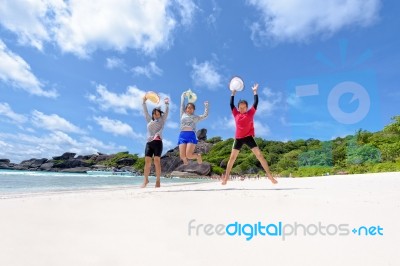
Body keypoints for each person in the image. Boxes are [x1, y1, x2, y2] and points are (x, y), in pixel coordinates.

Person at [222, 83, 278, 185]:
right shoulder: (236, 114)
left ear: (247, 108)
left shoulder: (250, 113)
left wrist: (255, 92)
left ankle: (270, 176)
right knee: (232, 158)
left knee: (260, 155)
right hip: (238, 138)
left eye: (244, 107)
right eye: (240, 107)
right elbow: (231, 104)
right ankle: (226, 178)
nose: (242, 109)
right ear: (238, 108)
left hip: (248, 137)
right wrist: (233, 93)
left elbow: (256, 103)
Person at [141, 95, 169, 188]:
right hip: (149, 143)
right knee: (147, 162)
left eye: (158, 114)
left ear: (160, 115)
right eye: (155, 114)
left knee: (157, 161)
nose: (156, 115)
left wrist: (167, 104)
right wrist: (144, 102)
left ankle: (158, 181)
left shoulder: (162, 121)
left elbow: (166, 113)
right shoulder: (149, 120)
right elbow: (145, 112)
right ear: (152, 114)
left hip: (158, 143)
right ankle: (145, 180)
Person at [178, 90, 209, 165]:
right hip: (182, 135)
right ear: (186, 109)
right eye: (188, 107)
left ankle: (198, 156)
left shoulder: (195, 117)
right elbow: (182, 104)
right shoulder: (182, 114)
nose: (189, 109)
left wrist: (206, 106)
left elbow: (205, 115)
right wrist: (183, 95)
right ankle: (185, 160)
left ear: (194, 110)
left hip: (191, 135)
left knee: (189, 155)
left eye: (191, 108)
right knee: (182, 156)